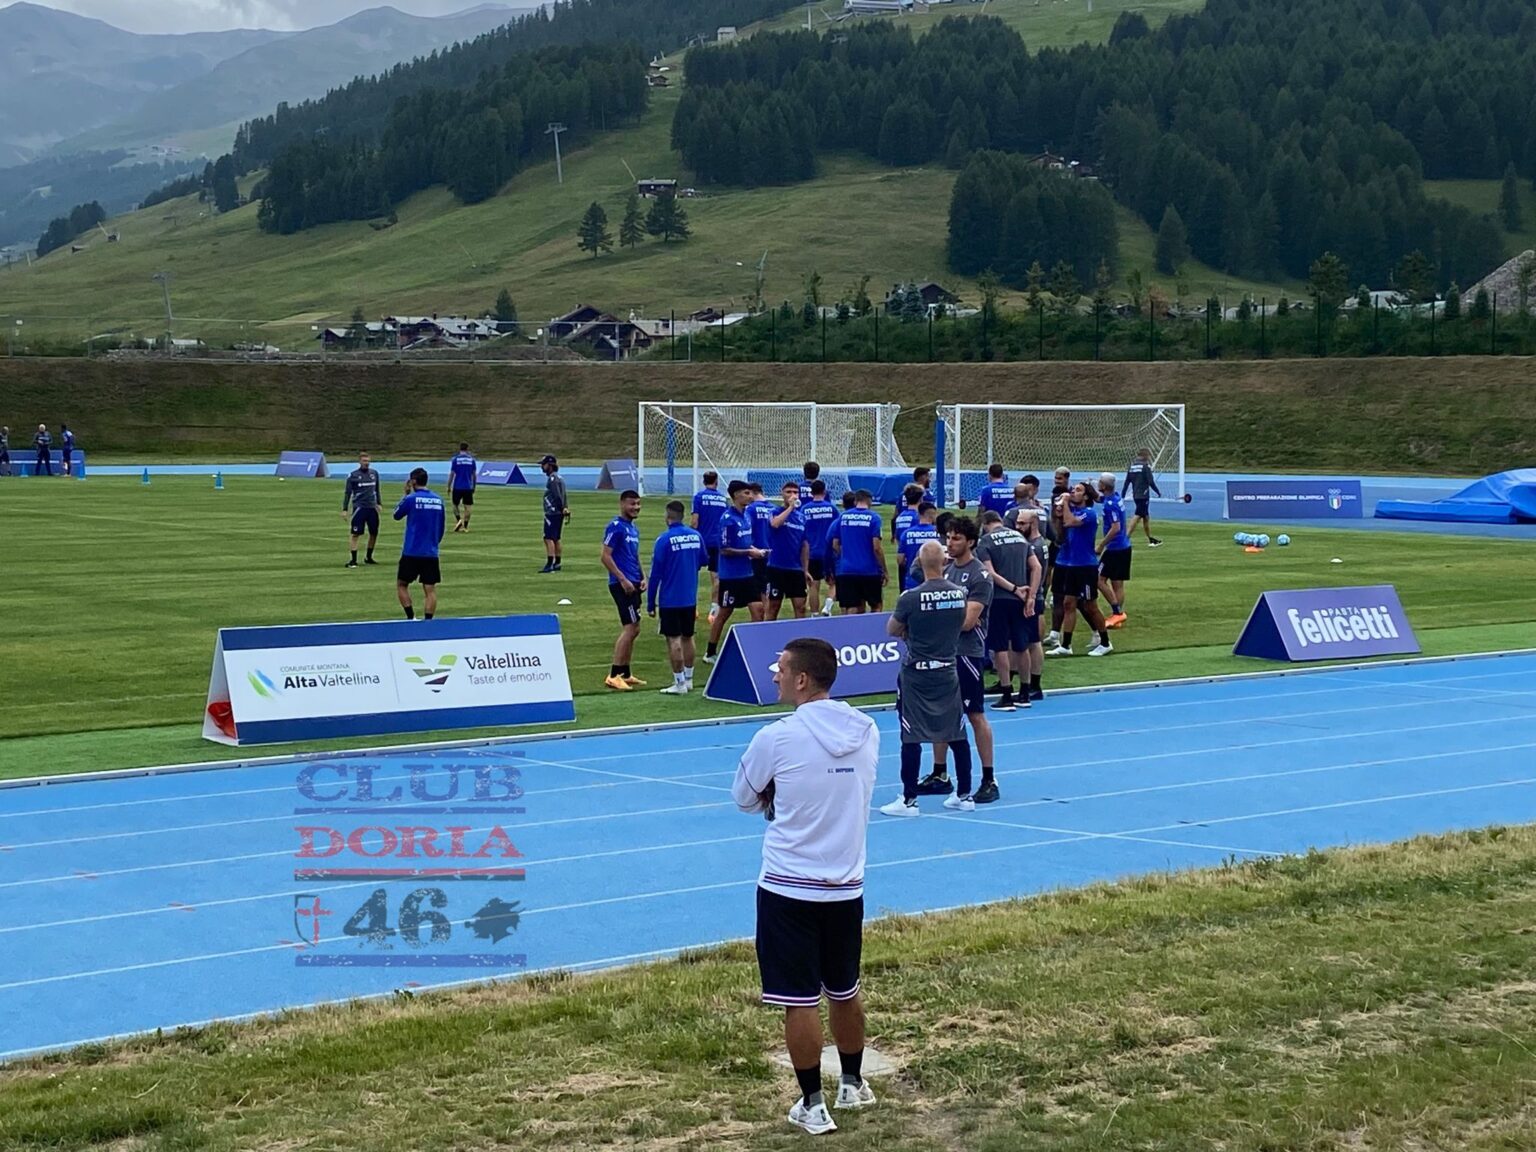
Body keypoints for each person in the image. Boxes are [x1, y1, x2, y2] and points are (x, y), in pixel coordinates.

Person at [731, 637, 879, 1135]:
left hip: (788, 885)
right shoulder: (867, 730)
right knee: (845, 989)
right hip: (846, 884)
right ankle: (852, 1083)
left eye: (781, 669)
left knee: (799, 999)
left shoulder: (776, 737)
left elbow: (743, 797)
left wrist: (776, 793)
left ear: (801, 679)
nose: (774, 675)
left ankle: (812, 1103)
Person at [912, 516, 999, 804]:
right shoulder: (945, 569)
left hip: (966, 654)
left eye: (956, 538)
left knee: (974, 714)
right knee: (941, 712)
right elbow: (917, 573)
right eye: (948, 538)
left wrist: (937, 616)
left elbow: (968, 622)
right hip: (942, 652)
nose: (950, 543)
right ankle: (940, 773)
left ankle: (989, 778)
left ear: (971, 542)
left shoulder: (979, 576)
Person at [881, 540, 969, 817]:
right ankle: (964, 794)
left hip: (917, 672)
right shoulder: (960, 594)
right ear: (944, 562)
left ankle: (909, 800)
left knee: (911, 734)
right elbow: (960, 624)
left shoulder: (910, 597)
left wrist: (911, 629)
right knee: (956, 730)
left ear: (918, 563)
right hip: (947, 668)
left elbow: (892, 629)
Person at [976, 510, 1040, 712]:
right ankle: (1025, 693)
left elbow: (990, 573)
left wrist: (1013, 589)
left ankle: (1006, 694)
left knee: (1001, 648)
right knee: (1022, 645)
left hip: (1000, 599)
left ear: (985, 524)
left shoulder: (985, 542)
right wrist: (1031, 595)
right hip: (1021, 599)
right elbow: (1036, 567)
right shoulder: (1020, 538)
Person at [1047, 482, 1114, 658]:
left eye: (1078, 490)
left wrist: (1065, 503)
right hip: (1071, 565)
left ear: (1086, 496)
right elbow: (1060, 534)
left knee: (1090, 605)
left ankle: (1105, 642)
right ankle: (1066, 645)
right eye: (1073, 490)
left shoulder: (1089, 513)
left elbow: (1070, 522)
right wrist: (1058, 513)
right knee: (1068, 603)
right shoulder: (1072, 511)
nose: (1073, 492)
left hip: (1085, 566)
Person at [647, 500, 706, 695]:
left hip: (670, 598)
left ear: (667, 516)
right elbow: (703, 560)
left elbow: (655, 574)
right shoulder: (696, 536)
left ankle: (679, 683)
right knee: (688, 637)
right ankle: (689, 679)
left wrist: (650, 603)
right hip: (689, 597)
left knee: (673, 639)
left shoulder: (664, 540)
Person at [705, 480, 767, 662]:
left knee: (758, 610)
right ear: (736, 495)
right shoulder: (727, 520)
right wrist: (748, 552)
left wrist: (756, 550)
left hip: (748, 574)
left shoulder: (746, 516)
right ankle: (710, 652)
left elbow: (746, 542)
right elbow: (724, 550)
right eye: (746, 493)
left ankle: (755, 649)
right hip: (731, 576)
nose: (750, 496)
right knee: (724, 613)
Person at [601, 489, 646, 691]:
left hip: (634, 583)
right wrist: (622, 579)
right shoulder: (616, 527)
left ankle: (626, 673)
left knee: (635, 628)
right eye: (632, 504)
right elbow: (605, 556)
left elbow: (634, 556)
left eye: (638, 503)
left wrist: (643, 577)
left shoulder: (633, 529)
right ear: (622, 504)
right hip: (622, 585)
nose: (636, 507)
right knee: (630, 627)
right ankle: (614, 675)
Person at [393, 468, 445, 619]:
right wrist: (434, 543)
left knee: (402, 584)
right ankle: (428, 621)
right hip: (431, 551)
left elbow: (396, 514)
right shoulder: (438, 500)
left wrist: (406, 494)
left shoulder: (411, 499)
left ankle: (411, 617)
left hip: (412, 550)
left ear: (413, 481)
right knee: (430, 589)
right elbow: (441, 527)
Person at [830, 490, 886, 614]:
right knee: (876, 605)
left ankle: (851, 627)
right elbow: (876, 548)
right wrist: (884, 570)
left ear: (855, 501)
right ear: (870, 501)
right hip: (869, 570)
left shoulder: (843, 517)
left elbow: (835, 544)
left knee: (853, 606)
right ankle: (874, 626)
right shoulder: (874, 518)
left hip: (847, 569)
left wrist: (847, 555)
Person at [766, 481, 811, 621]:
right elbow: (775, 524)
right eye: (789, 492)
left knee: (800, 607)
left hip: (795, 568)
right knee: (774, 606)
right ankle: (768, 632)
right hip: (777, 567)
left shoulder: (801, 518)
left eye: (795, 492)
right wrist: (790, 507)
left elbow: (804, 545)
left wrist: (805, 570)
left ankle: (800, 633)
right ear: (782, 494)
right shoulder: (774, 511)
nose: (793, 495)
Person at [691, 470, 729, 619]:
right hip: (717, 542)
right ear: (716, 482)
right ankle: (714, 610)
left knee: (692, 574)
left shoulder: (699, 497)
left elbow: (695, 521)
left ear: (703, 481)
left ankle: (692, 608)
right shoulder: (722, 499)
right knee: (716, 576)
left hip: (701, 541)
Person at [1097, 472, 1132, 627]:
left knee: (1098, 579)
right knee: (1118, 584)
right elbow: (1100, 498)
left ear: (1104, 486)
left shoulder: (1110, 505)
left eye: (1099, 482)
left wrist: (1101, 544)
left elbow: (1115, 527)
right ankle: (1117, 617)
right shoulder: (1116, 498)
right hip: (1124, 546)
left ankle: (1117, 612)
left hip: (1115, 549)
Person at [800, 479, 838, 616]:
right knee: (834, 582)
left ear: (811, 492)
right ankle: (827, 607)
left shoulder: (804, 509)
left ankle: (814, 614)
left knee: (813, 585)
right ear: (824, 491)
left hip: (811, 552)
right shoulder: (832, 509)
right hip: (829, 551)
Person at [1044, 467, 1071, 650]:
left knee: (1077, 601)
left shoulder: (1067, 497)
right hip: (1057, 541)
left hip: (1063, 544)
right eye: (1055, 477)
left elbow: (1059, 520)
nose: (1056, 480)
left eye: (1060, 478)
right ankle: (1046, 596)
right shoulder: (1057, 494)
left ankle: (1099, 635)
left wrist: (1058, 538)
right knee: (1048, 570)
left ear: (1067, 478)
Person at [340, 451, 382, 568]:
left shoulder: (374, 474)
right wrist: (345, 509)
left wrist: (379, 503)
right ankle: (353, 560)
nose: (366, 463)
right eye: (364, 461)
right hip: (360, 507)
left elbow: (377, 489)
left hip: (372, 508)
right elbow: (348, 493)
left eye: (368, 461)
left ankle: (369, 557)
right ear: (359, 461)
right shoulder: (353, 475)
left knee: (374, 533)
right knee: (355, 534)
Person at [1123, 447, 1163, 547]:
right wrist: (1158, 491)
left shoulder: (1132, 466)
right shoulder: (1145, 467)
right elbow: (1150, 481)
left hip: (1136, 495)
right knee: (1138, 515)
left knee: (1146, 517)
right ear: (1145, 456)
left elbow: (1127, 481)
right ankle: (1125, 538)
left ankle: (1151, 539)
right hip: (1143, 495)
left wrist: (1123, 494)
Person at [539, 455, 570, 573]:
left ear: (550, 465)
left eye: (544, 464)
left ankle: (550, 563)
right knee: (556, 538)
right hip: (558, 512)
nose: (542, 467)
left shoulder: (553, 479)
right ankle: (557, 562)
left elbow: (557, 496)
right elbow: (564, 495)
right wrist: (565, 507)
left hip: (552, 512)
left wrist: (562, 508)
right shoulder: (559, 478)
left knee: (548, 538)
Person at [900, 503, 942, 587]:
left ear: (919, 514)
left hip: (912, 581)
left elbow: (900, 560)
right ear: (933, 515)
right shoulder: (938, 533)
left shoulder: (906, 534)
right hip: (934, 581)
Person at [748, 481, 776, 608]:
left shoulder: (750, 509)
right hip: (773, 554)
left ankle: (765, 615)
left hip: (757, 553)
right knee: (769, 588)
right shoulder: (774, 508)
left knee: (759, 590)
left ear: (751, 493)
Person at [891, 483, 924, 588]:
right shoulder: (918, 517)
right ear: (921, 499)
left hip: (903, 559)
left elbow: (898, 539)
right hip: (917, 562)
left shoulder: (900, 517)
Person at [449, 442, 477, 533]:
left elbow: (452, 474)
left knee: (455, 505)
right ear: (467, 449)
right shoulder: (471, 460)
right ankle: (465, 526)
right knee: (468, 507)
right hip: (468, 487)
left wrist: (449, 486)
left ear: (460, 449)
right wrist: (474, 486)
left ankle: (459, 521)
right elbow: (474, 475)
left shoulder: (455, 460)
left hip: (457, 486)